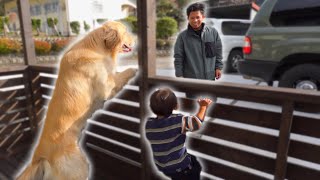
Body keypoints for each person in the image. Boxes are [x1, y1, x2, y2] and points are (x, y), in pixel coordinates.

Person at [145, 88, 213, 180]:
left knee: (191, 159)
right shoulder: (178, 121)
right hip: (179, 167)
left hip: (162, 166)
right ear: (176, 106)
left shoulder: (149, 124)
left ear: (152, 107)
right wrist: (203, 106)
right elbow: (196, 123)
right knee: (195, 167)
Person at [174, 2, 223, 81]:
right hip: (191, 80)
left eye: (197, 17)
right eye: (192, 18)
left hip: (210, 78)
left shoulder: (213, 33)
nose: (195, 20)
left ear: (203, 17)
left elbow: (218, 51)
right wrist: (179, 75)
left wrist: (218, 67)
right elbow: (178, 57)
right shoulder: (182, 37)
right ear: (188, 18)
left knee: (208, 94)